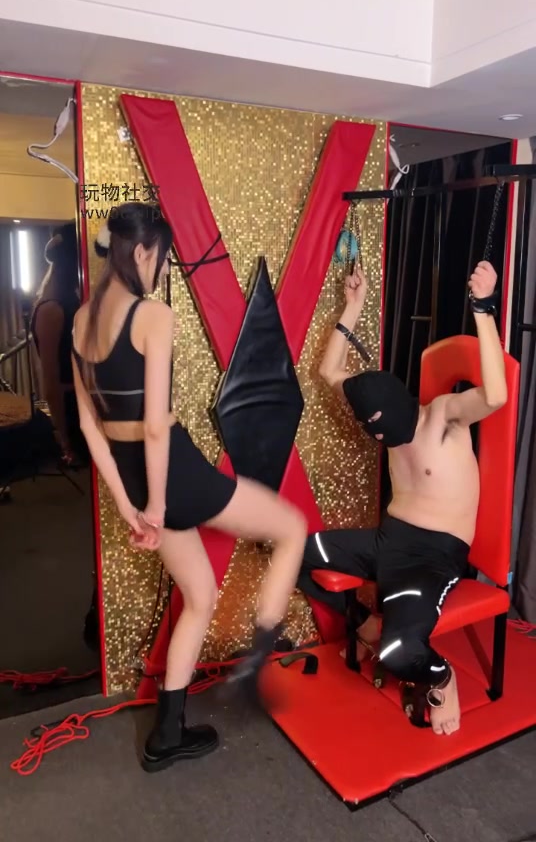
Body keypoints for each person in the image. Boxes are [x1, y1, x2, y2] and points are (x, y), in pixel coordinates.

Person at [71, 202, 307, 773]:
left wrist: (130, 505)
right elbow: (156, 425)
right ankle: (258, 658)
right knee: (292, 527)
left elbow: (89, 426)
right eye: (163, 259)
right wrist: (157, 505)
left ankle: (167, 734)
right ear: (143, 251)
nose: (163, 271)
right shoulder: (153, 315)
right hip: (171, 473)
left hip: (135, 477)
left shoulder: (81, 320)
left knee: (199, 596)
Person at [297, 260, 507, 736]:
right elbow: (330, 371)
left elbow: (495, 396)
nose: (376, 436)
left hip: (432, 558)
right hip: (386, 541)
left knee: (398, 653)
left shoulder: (444, 417)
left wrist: (483, 308)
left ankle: (441, 676)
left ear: (399, 408)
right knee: (290, 550)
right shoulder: (378, 411)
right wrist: (353, 306)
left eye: (379, 427)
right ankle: (364, 626)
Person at [32, 221, 87, 464]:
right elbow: (51, 381)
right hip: (71, 408)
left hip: (84, 401)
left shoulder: (69, 301)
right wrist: (63, 436)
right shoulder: (52, 308)